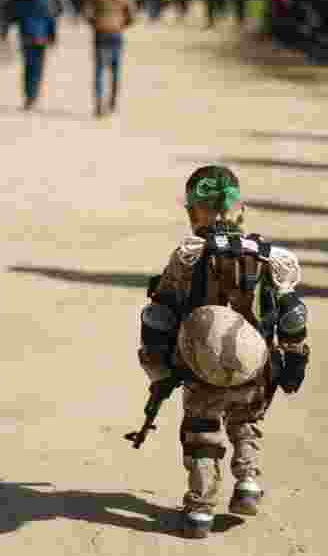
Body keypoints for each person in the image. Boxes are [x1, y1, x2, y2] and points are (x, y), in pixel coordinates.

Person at [136, 165, 310, 538]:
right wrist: (294, 358)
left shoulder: (187, 257)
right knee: (245, 421)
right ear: (240, 208)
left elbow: (159, 315)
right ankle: (247, 482)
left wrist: (158, 365)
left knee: (202, 434)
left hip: (201, 371)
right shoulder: (268, 257)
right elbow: (293, 313)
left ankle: (200, 511)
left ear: (192, 212)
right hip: (256, 369)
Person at [85, 0, 135, 117]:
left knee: (99, 69)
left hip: (100, 31)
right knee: (115, 69)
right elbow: (131, 15)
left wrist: (94, 23)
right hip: (116, 32)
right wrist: (122, 24)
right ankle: (112, 101)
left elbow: (87, 12)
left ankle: (99, 102)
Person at [3, 0, 57, 111]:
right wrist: (52, 36)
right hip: (41, 37)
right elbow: (51, 18)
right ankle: (33, 96)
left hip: (26, 35)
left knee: (28, 67)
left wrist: (8, 27)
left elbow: (13, 13)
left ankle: (29, 97)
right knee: (37, 69)